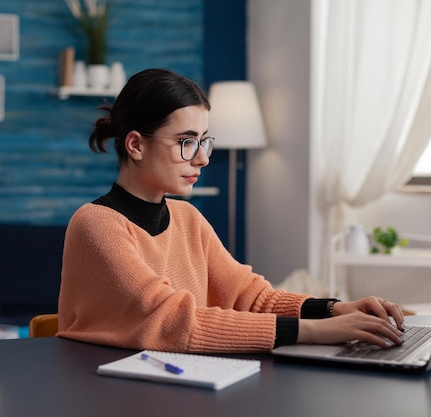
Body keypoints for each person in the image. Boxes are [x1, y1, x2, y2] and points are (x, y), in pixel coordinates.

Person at [57, 68, 405, 353]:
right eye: (186, 142)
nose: (203, 158)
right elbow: (173, 319)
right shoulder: (96, 223)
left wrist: (334, 309)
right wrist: (316, 330)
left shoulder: (187, 218)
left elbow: (252, 298)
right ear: (135, 145)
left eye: (204, 140)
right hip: (102, 389)